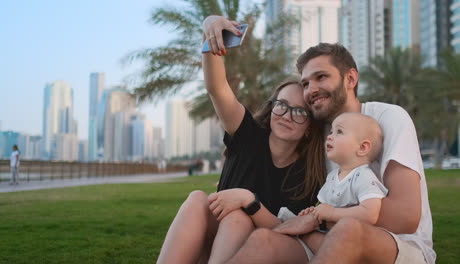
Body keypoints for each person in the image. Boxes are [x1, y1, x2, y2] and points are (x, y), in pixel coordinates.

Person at [214, 41, 435, 263]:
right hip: (328, 239)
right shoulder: (318, 140)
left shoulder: (388, 118)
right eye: (306, 83)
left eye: (321, 77)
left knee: (348, 230)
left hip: (399, 246)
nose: (311, 89)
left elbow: (405, 216)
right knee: (263, 240)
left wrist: (318, 218)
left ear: (350, 79)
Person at [156, 16, 327, 264]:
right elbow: (217, 88)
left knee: (239, 217)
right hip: (215, 236)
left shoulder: (309, 173)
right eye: (282, 105)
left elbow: (288, 229)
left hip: (259, 249)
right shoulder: (248, 134)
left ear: (310, 128)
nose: (287, 116)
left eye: (300, 112)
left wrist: (249, 201)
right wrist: (211, 31)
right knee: (196, 198)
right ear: (271, 109)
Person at [279, 112, 388, 256]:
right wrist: (314, 211)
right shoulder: (332, 177)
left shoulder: (363, 176)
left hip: (350, 243)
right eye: (331, 131)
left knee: (296, 237)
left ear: (362, 148)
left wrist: (332, 213)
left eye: (339, 132)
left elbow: (370, 214)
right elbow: (323, 205)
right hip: (328, 236)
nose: (330, 136)